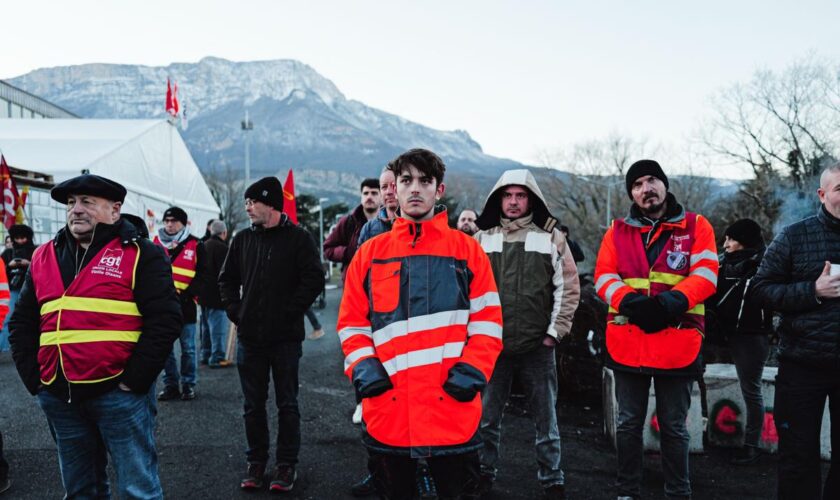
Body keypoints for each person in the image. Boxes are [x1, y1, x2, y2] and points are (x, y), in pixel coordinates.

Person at [338, 148, 503, 499]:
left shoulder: (468, 252)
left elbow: (488, 322)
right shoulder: (369, 254)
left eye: (425, 181)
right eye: (406, 180)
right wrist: (366, 372)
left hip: (451, 411)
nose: (415, 189)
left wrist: (472, 372)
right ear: (393, 190)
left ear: (438, 190)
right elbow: (352, 324)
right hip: (390, 410)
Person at [9, 174, 181, 499]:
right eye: (71, 203)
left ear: (115, 211)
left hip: (119, 395)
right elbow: (22, 324)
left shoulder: (142, 254)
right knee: (80, 491)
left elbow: (165, 320)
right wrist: (37, 381)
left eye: (87, 202)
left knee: (137, 490)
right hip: (60, 396)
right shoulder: (44, 255)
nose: (76, 209)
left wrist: (135, 381)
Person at [594, 160, 718, 500]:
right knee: (629, 424)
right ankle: (626, 491)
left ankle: (678, 492)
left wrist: (669, 304)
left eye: (652, 181)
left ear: (664, 184)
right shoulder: (616, 231)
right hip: (628, 342)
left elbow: (707, 274)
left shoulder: (697, 225)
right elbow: (603, 277)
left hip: (677, 342)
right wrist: (632, 303)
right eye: (637, 185)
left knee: (675, 427)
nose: (645, 189)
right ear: (632, 193)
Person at [473, 169, 580, 499]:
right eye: (508, 195)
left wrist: (553, 334)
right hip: (492, 346)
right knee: (486, 418)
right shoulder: (482, 237)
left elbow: (569, 287)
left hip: (538, 345)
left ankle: (552, 479)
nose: (514, 202)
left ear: (531, 199)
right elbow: (467, 289)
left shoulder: (550, 236)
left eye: (520, 195)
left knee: (545, 421)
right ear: (498, 199)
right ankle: (482, 474)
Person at [219, 176, 324, 493]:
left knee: (287, 404)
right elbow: (226, 280)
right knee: (253, 405)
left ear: (272, 204)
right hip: (250, 338)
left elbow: (314, 278)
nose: (248, 207)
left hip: (285, 340)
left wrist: (290, 311)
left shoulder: (299, 239)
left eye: (253, 202)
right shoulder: (241, 240)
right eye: (246, 203)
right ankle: (256, 462)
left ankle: (286, 465)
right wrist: (236, 311)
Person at [751, 162, 840, 500]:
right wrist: (813, 291)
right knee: (797, 459)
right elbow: (759, 291)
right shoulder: (794, 235)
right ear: (822, 194)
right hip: (802, 366)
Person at [705, 218, 772, 465]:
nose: (726, 244)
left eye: (731, 239)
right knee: (694, 376)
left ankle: (751, 446)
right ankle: (702, 429)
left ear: (744, 241)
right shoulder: (723, 265)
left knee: (750, 389)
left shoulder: (764, 267)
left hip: (751, 335)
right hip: (721, 333)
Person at [154, 206, 206, 401]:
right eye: (166, 221)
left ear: (183, 223)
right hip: (163, 305)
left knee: (188, 348)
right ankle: (171, 385)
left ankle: (188, 385)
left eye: (174, 221)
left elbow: (204, 274)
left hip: (186, 305)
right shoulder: (156, 242)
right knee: (165, 349)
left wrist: (189, 293)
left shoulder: (196, 244)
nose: (169, 224)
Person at [323, 178, 380, 281]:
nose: (369, 197)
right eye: (366, 193)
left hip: (382, 283)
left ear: (381, 196)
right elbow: (328, 249)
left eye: (374, 193)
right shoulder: (348, 222)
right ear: (361, 196)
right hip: (354, 283)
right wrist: (346, 252)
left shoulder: (389, 222)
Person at [197, 219, 233, 367]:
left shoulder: (203, 246)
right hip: (217, 296)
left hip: (202, 295)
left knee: (205, 328)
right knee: (217, 329)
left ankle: (205, 355)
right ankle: (217, 357)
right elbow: (227, 273)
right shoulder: (223, 249)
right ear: (223, 233)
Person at [0, 224, 35, 352]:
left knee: (31, 320)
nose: (20, 241)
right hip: (12, 290)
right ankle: (4, 349)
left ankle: (30, 347)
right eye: (17, 238)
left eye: (23, 238)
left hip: (32, 290)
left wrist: (29, 264)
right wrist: (9, 266)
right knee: (7, 320)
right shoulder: (7, 253)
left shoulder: (36, 251)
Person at [357, 164, 398, 246]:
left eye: (394, 186)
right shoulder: (368, 229)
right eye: (384, 187)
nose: (389, 192)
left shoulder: (419, 223)